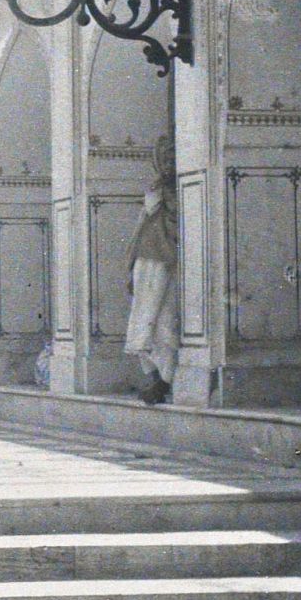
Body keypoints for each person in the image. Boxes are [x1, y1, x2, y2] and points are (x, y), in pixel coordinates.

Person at [124, 139, 180, 405]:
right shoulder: (156, 188)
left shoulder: (175, 190)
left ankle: (165, 381)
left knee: (163, 319)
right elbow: (142, 225)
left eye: (172, 159)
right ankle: (157, 378)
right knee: (145, 318)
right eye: (164, 159)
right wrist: (130, 265)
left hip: (166, 260)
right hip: (149, 260)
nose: (168, 165)